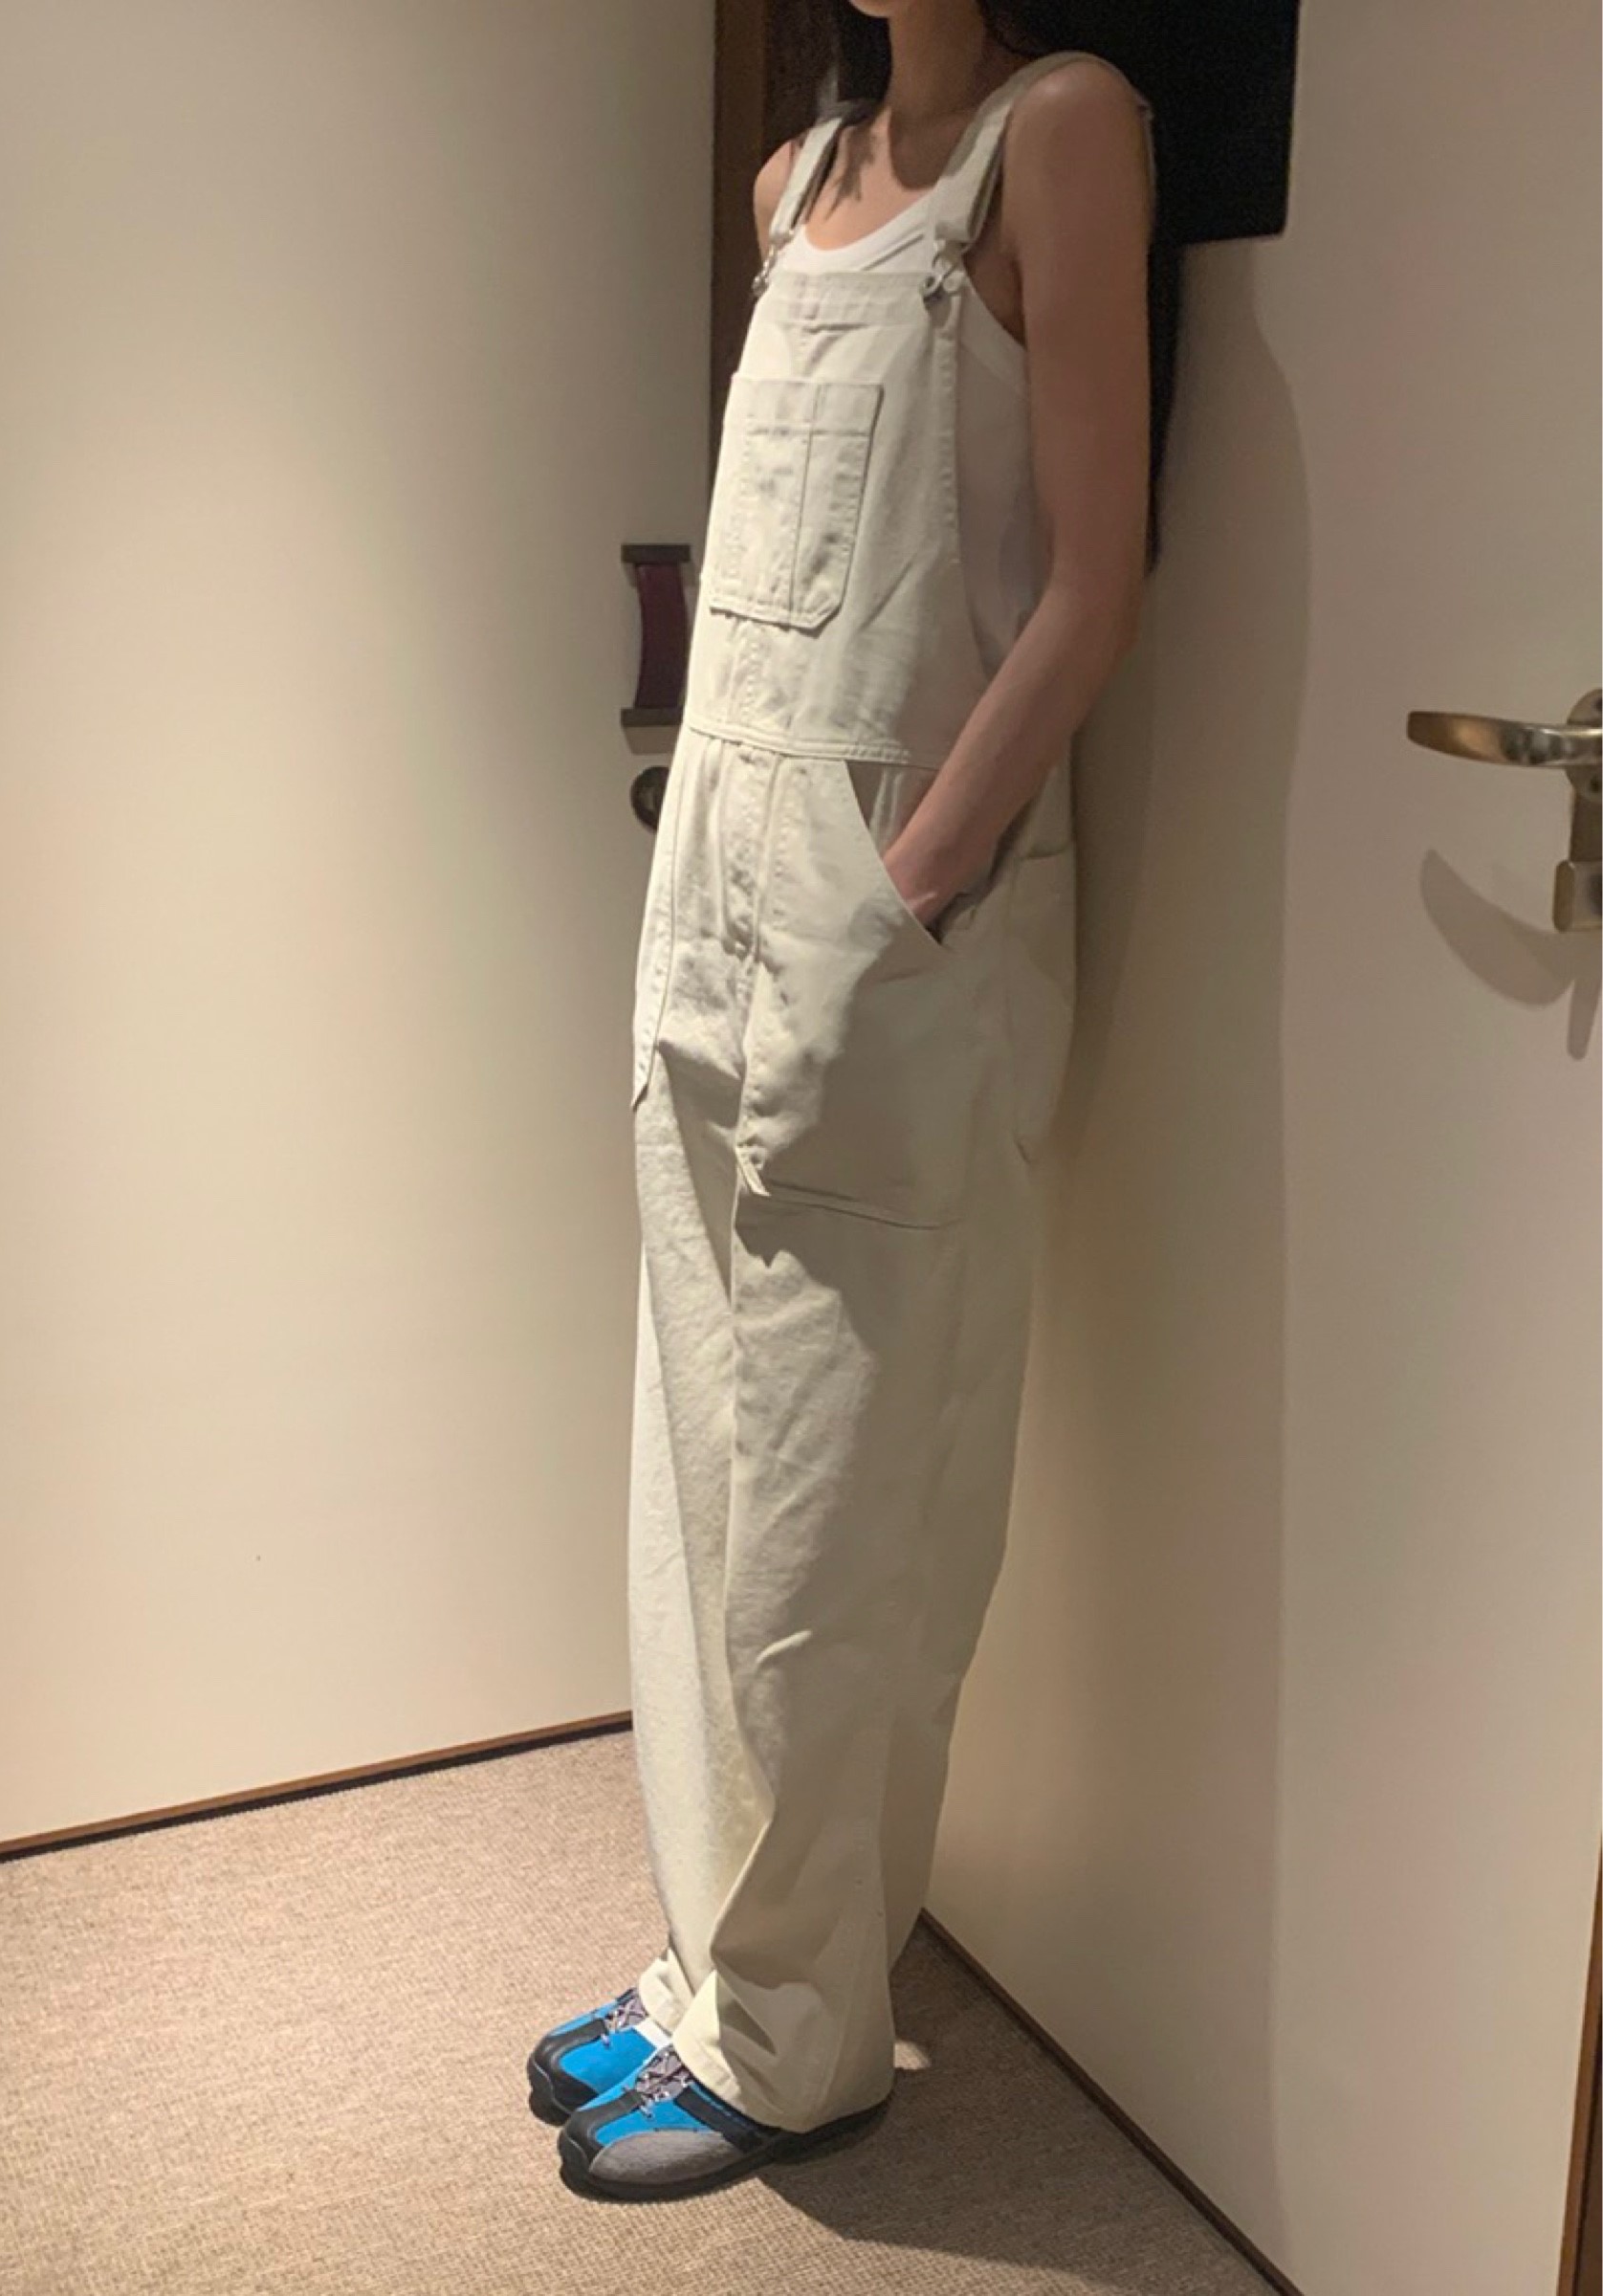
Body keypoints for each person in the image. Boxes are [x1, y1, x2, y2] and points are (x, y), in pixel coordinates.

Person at [531, 0, 1162, 2202]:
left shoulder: (1055, 139)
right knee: (702, 1469)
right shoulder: (792, 181)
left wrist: (910, 883)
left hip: (894, 924)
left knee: (837, 1511)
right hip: (719, 893)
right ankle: (718, 1961)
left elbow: (1089, 584)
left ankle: (802, 2034)